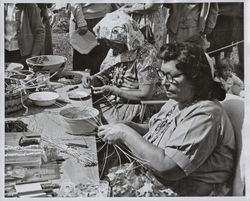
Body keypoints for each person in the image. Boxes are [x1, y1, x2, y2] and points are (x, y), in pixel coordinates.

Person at [97, 42, 236, 196]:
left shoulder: (206, 115)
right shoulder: (177, 101)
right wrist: (129, 126)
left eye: (174, 76)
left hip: (184, 190)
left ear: (196, 77)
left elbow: (168, 167)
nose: (164, 82)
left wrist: (125, 133)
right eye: (162, 74)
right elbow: (153, 129)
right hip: (154, 179)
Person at [82, 10, 166, 123]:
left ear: (126, 38)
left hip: (141, 107)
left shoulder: (146, 55)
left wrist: (115, 90)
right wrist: (94, 80)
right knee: (86, 112)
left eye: (111, 41)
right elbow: (107, 75)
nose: (108, 44)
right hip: (119, 100)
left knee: (91, 118)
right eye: (106, 41)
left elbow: (145, 94)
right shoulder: (116, 50)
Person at [69, 3, 113, 74]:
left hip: (104, 17)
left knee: (102, 62)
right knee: (83, 62)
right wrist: (81, 22)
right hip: (86, 20)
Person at [5, 3, 45, 69]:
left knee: (22, 77)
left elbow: (39, 32)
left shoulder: (30, 6)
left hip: (23, 55)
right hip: (5, 53)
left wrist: (34, 55)